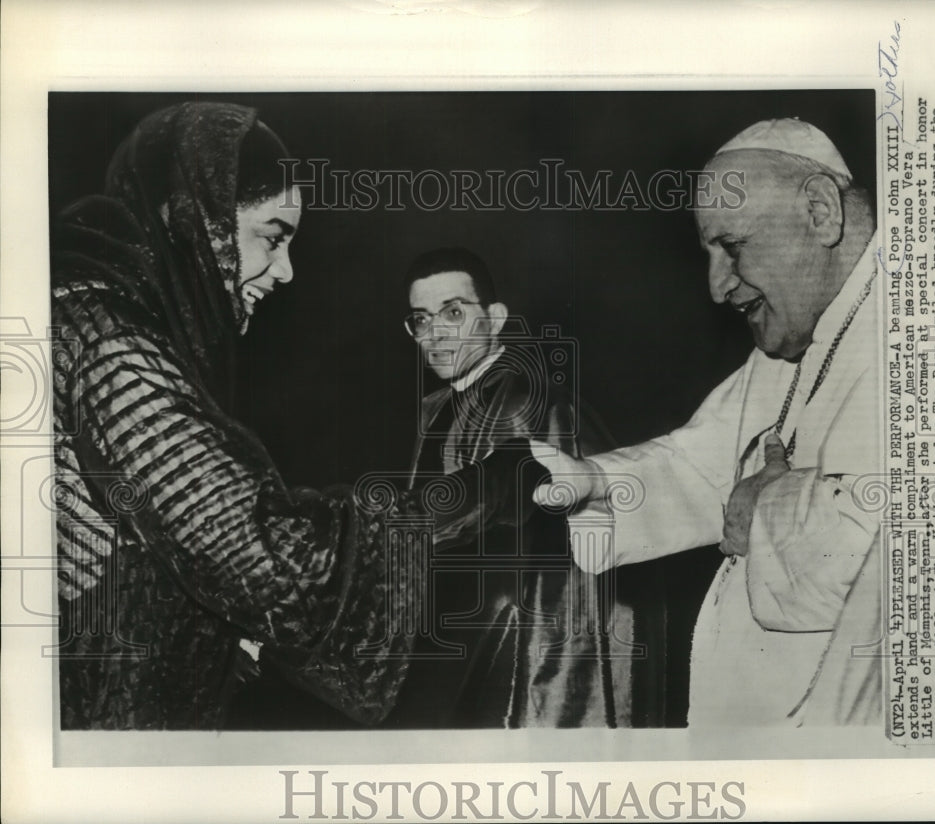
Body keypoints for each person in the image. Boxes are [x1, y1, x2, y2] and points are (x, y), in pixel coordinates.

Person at [50, 103, 541, 730]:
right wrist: (492, 487)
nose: (285, 270)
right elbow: (272, 558)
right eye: (272, 236)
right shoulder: (111, 346)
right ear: (190, 220)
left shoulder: (91, 316)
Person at [533, 119, 883, 726]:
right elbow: (697, 469)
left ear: (822, 212)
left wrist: (768, 512)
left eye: (734, 247)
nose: (717, 287)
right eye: (709, 254)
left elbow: (920, 541)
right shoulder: (790, 344)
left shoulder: (934, 316)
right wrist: (591, 483)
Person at [385, 247, 640, 727]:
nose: (434, 334)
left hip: (532, 642)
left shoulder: (527, 402)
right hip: (467, 630)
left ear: (495, 318)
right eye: (420, 320)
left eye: (453, 313)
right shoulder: (443, 406)